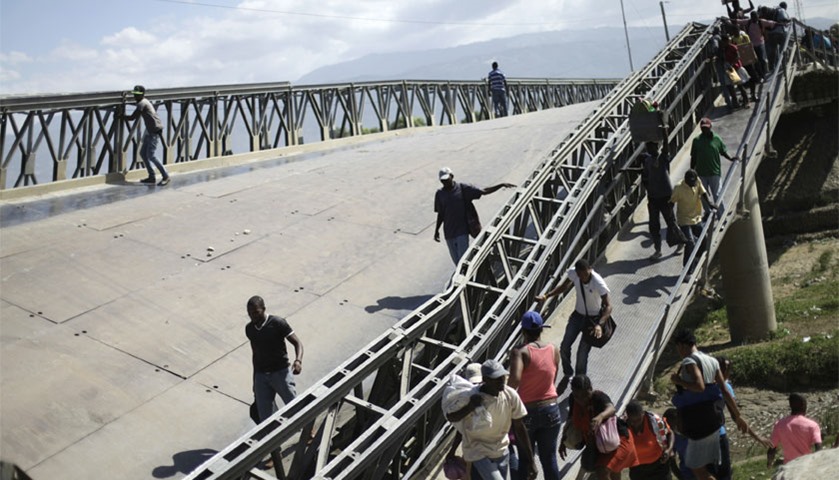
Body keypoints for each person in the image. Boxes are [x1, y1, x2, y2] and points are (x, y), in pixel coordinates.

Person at [670, 329, 753, 480]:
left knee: (697, 468)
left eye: (678, 348)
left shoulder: (689, 361)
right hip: (715, 423)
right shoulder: (713, 361)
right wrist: (738, 416)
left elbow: (699, 386)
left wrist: (678, 381)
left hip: (698, 426)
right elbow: (725, 391)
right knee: (722, 473)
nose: (679, 352)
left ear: (682, 345)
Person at [446, 359, 538, 480]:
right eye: (496, 378)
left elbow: (520, 428)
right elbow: (451, 417)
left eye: (502, 377)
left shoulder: (510, 395)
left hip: (501, 450)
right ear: (485, 380)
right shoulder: (471, 397)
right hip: (478, 452)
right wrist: (470, 407)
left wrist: (531, 460)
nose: (501, 381)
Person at [535, 259, 612, 384]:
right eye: (580, 275)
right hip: (577, 316)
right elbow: (564, 287)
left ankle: (580, 382)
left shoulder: (598, 282)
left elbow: (608, 306)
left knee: (582, 354)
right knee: (565, 346)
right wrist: (546, 296)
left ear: (590, 270)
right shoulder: (574, 273)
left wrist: (599, 324)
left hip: (592, 321)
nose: (582, 278)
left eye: (585, 275)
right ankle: (568, 373)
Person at [508, 311, 561, 480]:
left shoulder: (520, 352)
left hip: (527, 412)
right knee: (549, 458)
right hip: (552, 409)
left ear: (523, 332)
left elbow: (514, 381)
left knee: (525, 459)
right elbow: (553, 377)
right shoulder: (554, 349)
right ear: (541, 330)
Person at [558, 375, 638, 479]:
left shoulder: (599, 397)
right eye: (577, 396)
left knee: (602, 472)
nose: (582, 400)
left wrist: (600, 417)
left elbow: (611, 409)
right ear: (573, 392)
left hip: (617, 439)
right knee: (608, 471)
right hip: (597, 443)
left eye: (585, 395)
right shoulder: (573, 399)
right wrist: (563, 440)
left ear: (590, 389)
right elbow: (570, 419)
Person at [433, 167, 516, 264]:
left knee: (463, 262)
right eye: (443, 181)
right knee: (457, 262)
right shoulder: (439, 194)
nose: (445, 183)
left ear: (452, 176)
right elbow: (441, 214)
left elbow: (483, 191)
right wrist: (436, 231)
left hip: (462, 232)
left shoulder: (463, 188)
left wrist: (501, 185)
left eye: (447, 180)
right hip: (449, 233)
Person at [245, 295, 304, 423]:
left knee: (295, 407)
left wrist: (298, 361)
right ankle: (275, 442)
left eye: (256, 312)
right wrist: (255, 381)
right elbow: (255, 354)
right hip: (261, 376)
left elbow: (297, 343)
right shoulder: (249, 329)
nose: (253, 316)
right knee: (265, 417)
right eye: (250, 314)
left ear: (264, 309)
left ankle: (309, 434)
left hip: (281, 374)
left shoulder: (277, 323)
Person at [630, 141, 685, 259]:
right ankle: (658, 250)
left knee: (670, 221)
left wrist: (664, 130)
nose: (650, 150)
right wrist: (627, 170)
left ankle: (680, 242)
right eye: (648, 148)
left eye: (651, 147)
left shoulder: (663, 157)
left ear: (657, 147)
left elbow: (666, 144)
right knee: (654, 225)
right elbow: (644, 172)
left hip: (665, 196)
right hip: (653, 197)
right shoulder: (648, 161)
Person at [121, 85, 170, 186]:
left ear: (142, 94)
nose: (135, 96)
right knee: (143, 154)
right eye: (134, 94)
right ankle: (151, 177)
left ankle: (166, 176)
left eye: (137, 95)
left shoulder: (142, 103)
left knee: (151, 155)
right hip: (149, 130)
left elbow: (132, 117)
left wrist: (120, 116)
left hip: (155, 131)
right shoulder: (143, 101)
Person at [690, 117, 737, 209]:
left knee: (717, 195)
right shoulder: (696, 141)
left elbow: (722, 151)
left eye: (706, 127)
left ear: (710, 127)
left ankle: (721, 215)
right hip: (701, 173)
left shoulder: (717, 139)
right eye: (703, 128)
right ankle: (708, 214)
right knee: (703, 195)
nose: (705, 130)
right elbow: (693, 157)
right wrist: (692, 171)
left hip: (714, 172)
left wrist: (731, 158)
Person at [767, 393, 823, 466]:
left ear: (790, 406)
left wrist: (769, 463)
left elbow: (772, 448)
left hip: (788, 466)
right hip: (806, 465)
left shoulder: (779, 424)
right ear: (804, 405)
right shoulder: (813, 425)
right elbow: (818, 448)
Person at [626, 400, 675, 480]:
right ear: (628, 417)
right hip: (638, 471)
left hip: (659, 467)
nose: (635, 423)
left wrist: (668, 450)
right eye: (632, 421)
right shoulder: (623, 426)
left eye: (638, 419)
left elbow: (670, 433)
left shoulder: (655, 421)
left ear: (643, 414)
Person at [737, 11, 778, 80]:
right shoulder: (748, 22)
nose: (755, 18)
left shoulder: (761, 22)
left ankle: (764, 73)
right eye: (753, 17)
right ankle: (760, 75)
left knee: (762, 59)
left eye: (756, 17)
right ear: (751, 17)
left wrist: (781, 23)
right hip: (752, 45)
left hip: (760, 43)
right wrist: (727, 20)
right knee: (755, 61)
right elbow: (739, 21)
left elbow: (770, 22)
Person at [719, 35, 751, 110]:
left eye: (724, 42)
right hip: (728, 70)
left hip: (736, 68)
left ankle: (746, 101)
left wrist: (732, 64)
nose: (723, 43)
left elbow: (738, 56)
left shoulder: (732, 47)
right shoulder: (723, 49)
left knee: (740, 86)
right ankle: (735, 102)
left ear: (727, 41)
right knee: (730, 87)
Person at [764, 2, 790, 71]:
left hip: (771, 33)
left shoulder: (773, 10)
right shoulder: (782, 10)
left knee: (773, 51)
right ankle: (784, 66)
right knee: (783, 50)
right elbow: (784, 19)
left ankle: (772, 67)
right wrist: (789, 20)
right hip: (780, 32)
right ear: (785, 6)